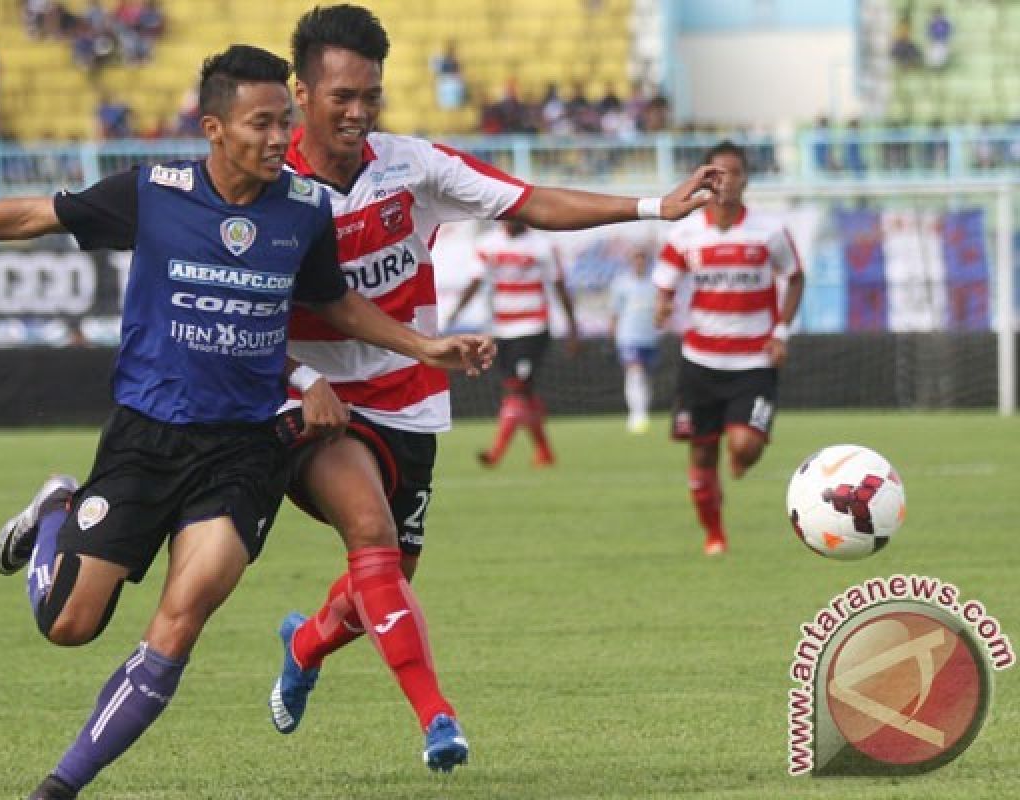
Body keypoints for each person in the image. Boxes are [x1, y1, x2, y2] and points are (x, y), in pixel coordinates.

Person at [0, 45, 493, 800]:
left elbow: (334, 304)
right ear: (214, 128)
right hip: (146, 439)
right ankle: (59, 509)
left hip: (244, 454)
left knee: (181, 621)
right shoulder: (156, 193)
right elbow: (37, 213)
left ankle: (58, 788)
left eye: (284, 122)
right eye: (262, 124)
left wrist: (425, 346)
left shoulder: (304, 210)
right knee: (70, 626)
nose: (279, 138)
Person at [266, 3, 720, 773]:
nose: (357, 111)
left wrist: (654, 207)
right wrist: (304, 377)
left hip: (409, 393)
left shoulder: (413, 166)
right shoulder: (266, 192)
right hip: (314, 402)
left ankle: (306, 640)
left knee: (386, 578)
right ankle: (437, 718)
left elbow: (530, 200)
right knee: (372, 539)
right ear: (300, 94)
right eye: (341, 95)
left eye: (369, 95)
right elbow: (241, 309)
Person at [652, 140, 805, 556]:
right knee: (701, 454)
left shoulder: (769, 232)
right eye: (718, 173)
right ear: (705, 178)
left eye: (735, 172)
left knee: (745, 445)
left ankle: (740, 459)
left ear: (746, 179)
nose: (727, 181)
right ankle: (714, 535)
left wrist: (781, 333)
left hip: (754, 360)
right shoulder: (684, 233)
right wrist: (662, 304)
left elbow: (795, 277)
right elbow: (664, 282)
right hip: (699, 361)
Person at [446, 218, 579, 466]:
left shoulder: (542, 246)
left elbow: (560, 286)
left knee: (515, 390)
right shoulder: (488, 244)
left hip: (532, 328)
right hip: (501, 330)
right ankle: (545, 453)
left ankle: (495, 453)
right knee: (524, 394)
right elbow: (475, 282)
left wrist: (572, 327)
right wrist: (455, 312)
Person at [608, 244, 659, 434]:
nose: (639, 261)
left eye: (642, 257)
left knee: (646, 377)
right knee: (634, 373)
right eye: (636, 257)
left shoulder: (654, 283)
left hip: (649, 337)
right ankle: (637, 414)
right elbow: (614, 313)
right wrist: (612, 336)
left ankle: (643, 410)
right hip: (628, 336)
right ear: (631, 261)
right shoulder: (621, 284)